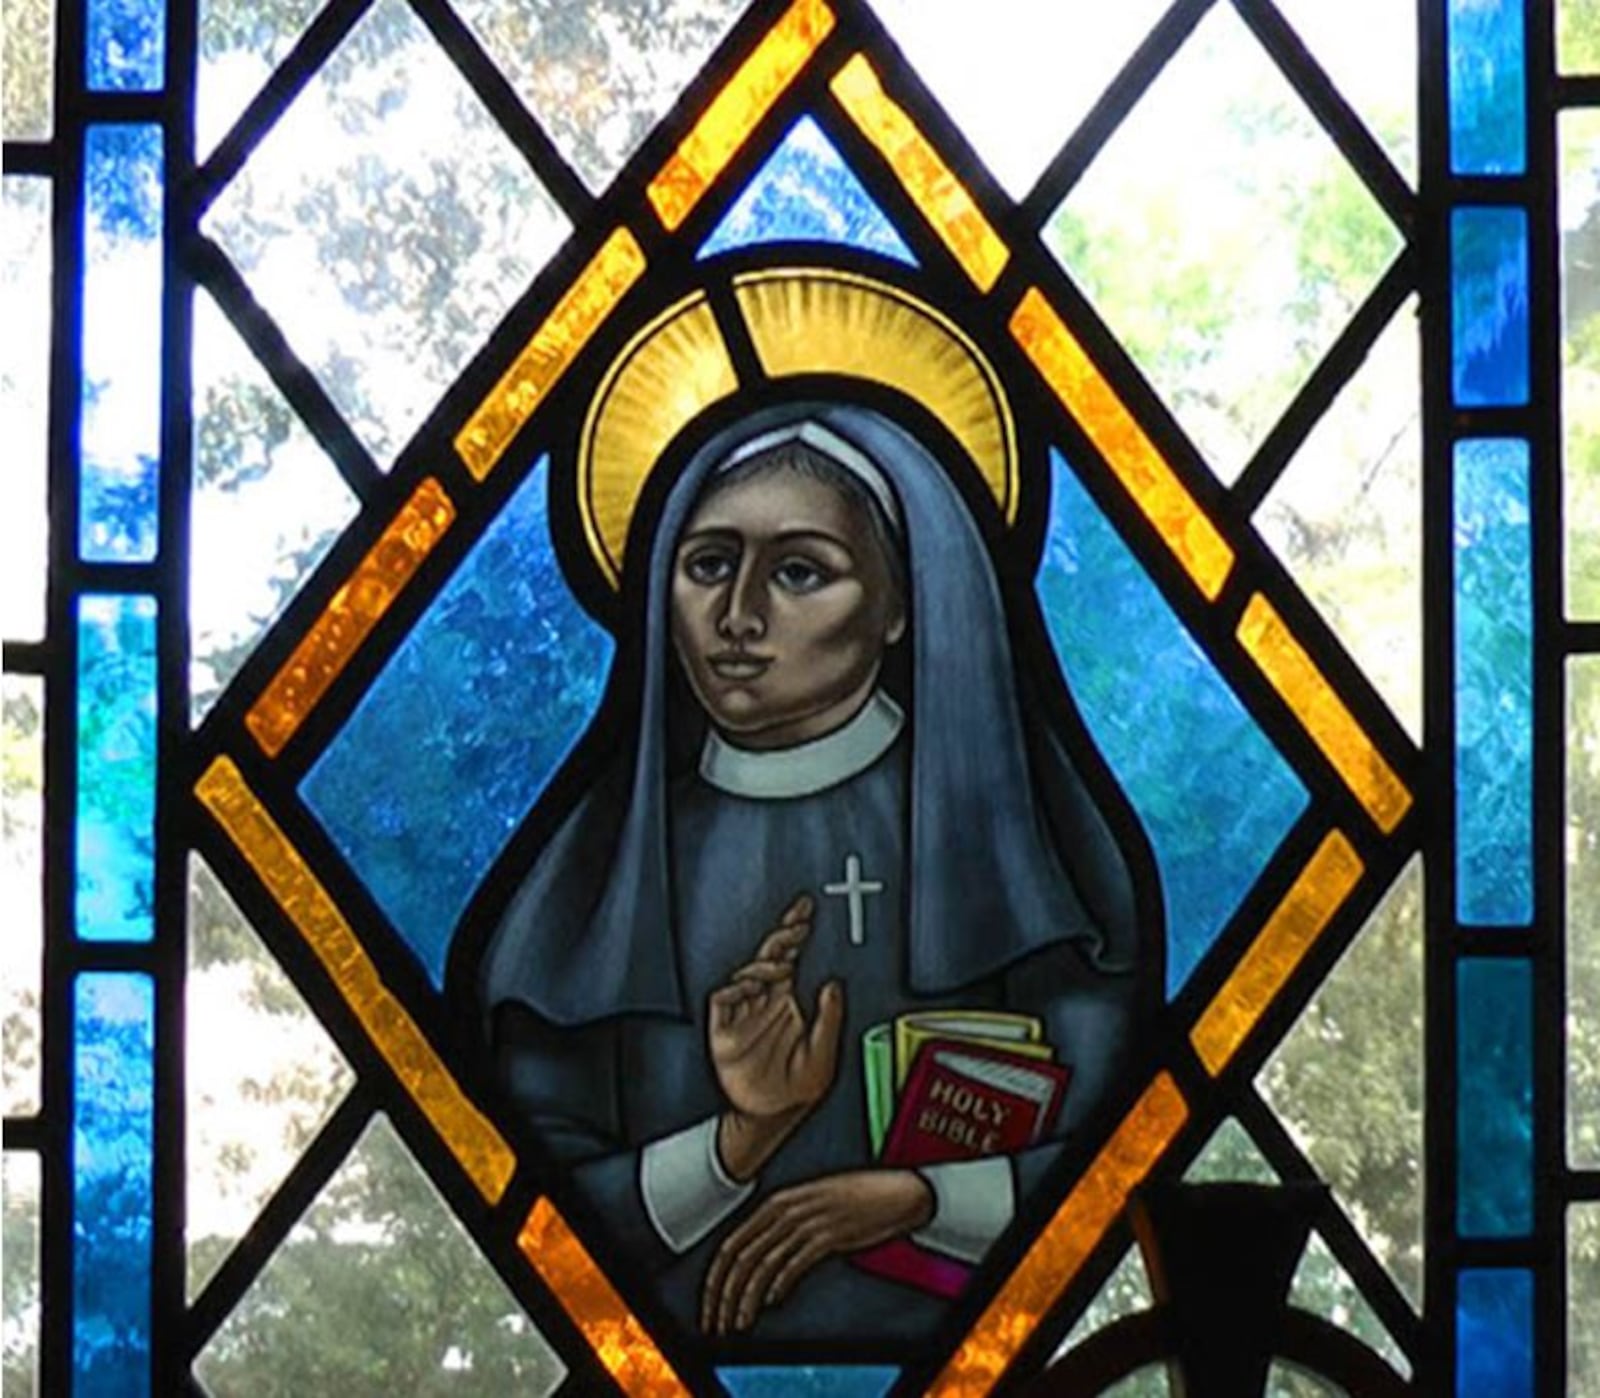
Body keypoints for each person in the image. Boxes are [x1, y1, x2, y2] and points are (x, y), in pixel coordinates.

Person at [463, 401, 1161, 1344]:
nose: (739, 616)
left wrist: (916, 1199)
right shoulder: (602, 877)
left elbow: (1116, 1149)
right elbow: (533, 1182)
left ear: (902, 602)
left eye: (800, 572)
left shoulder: (1017, 858)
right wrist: (738, 1142)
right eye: (708, 564)